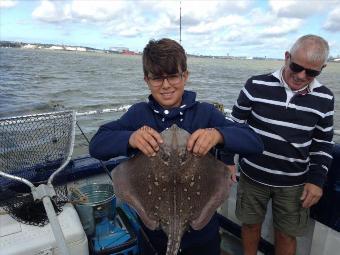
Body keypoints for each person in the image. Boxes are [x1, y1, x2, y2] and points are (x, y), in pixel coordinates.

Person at [89, 38, 263, 255]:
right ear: (146, 79)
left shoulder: (205, 114)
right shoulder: (139, 114)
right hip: (153, 237)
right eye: (157, 78)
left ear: (185, 76)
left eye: (172, 76)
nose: (166, 85)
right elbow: (96, 145)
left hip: (202, 234)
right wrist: (130, 138)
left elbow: (254, 142)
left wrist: (218, 134)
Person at [230, 34, 334, 255]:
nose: (301, 75)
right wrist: (227, 161)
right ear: (287, 57)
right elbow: (234, 126)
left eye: (312, 72)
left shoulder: (325, 98)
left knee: (287, 234)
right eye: (296, 67)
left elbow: (323, 143)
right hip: (252, 176)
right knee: (249, 225)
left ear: (322, 69)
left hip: (294, 183)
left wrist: (317, 181)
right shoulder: (255, 84)